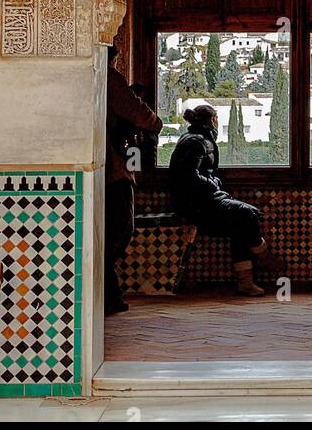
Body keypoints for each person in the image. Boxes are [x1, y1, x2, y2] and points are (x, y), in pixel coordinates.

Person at [168, 104, 282, 296]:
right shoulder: (197, 142)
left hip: (200, 201)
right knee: (247, 215)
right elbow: (187, 176)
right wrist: (214, 183)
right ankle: (261, 255)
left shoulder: (195, 139)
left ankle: (246, 280)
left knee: (243, 220)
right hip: (198, 205)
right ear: (212, 121)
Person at [105, 45, 162, 315]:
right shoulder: (108, 77)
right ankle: (107, 294)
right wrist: (154, 121)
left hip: (108, 172)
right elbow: (139, 114)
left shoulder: (99, 77)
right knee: (119, 231)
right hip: (115, 172)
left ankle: (106, 294)